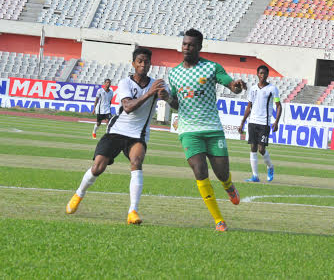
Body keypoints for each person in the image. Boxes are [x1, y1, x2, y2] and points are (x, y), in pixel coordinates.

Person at [66, 47, 168, 224]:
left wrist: (165, 96)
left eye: (147, 62)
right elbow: (128, 107)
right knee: (98, 167)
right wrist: (151, 93)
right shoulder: (124, 83)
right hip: (117, 130)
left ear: (151, 64)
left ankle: (133, 211)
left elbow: (173, 101)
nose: (143, 65)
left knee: (136, 162)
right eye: (140, 61)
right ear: (133, 63)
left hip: (138, 134)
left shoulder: (157, 84)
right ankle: (78, 194)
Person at [165, 28, 246, 232]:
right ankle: (219, 220)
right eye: (184, 44)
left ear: (199, 47)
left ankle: (228, 186)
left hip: (212, 129)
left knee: (221, 173)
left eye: (191, 45)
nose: (186, 48)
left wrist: (236, 85)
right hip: (188, 130)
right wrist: (166, 98)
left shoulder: (211, 67)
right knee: (200, 171)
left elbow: (230, 84)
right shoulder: (173, 73)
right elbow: (176, 103)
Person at [238, 65, 282, 182]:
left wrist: (276, 121)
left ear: (267, 75)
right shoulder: (253, 89)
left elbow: (278, 106)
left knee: (261, 149)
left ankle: (270, 167)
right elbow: (249, 107)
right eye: (260, 73)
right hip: (252, 121)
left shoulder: (272, 89)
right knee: (253, 147)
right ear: (257, 74)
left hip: (264, 123)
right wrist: (242, 122)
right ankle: (255, 176)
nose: (262, 75)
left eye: (264, 73)